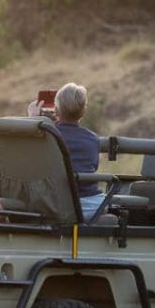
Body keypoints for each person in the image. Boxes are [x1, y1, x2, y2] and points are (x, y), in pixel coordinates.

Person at [30, 83, 103, 220]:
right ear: (83, 111)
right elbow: (93, 166)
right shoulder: (93, 139)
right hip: (90, 206)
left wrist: (34, 119)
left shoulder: (47, 135)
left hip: (55, 204)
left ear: (56, 110)